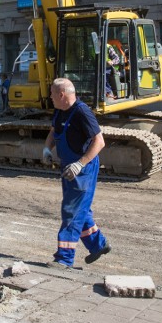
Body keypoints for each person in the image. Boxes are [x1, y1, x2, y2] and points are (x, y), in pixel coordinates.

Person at [42, 77, 111, 269]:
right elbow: (53, 131)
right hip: (68, 168)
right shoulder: (60, 111)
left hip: (83, 170)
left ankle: (64, 259)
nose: (50, 97)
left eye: (52, 94)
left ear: (61, 94)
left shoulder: (82, 112)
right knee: (81, 210)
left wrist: (79, 165)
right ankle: (98, 245)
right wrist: (47, 148)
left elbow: (99, 141)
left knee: (71, 211)